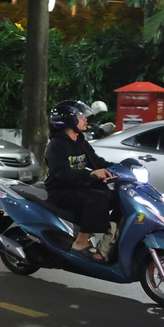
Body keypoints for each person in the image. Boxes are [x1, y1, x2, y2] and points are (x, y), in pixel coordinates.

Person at [44, 101, 116, 261]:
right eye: (81, 116)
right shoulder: (55, 145)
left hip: (78, 186)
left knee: (115, 196)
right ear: (69, 121)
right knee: (97, 197)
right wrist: (91, 175)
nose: (85, 119)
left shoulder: (80, 142)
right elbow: (62, 174)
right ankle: (81, 241)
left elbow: (98, 162)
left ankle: (109, 240)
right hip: (60, 191)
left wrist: (122, 167)